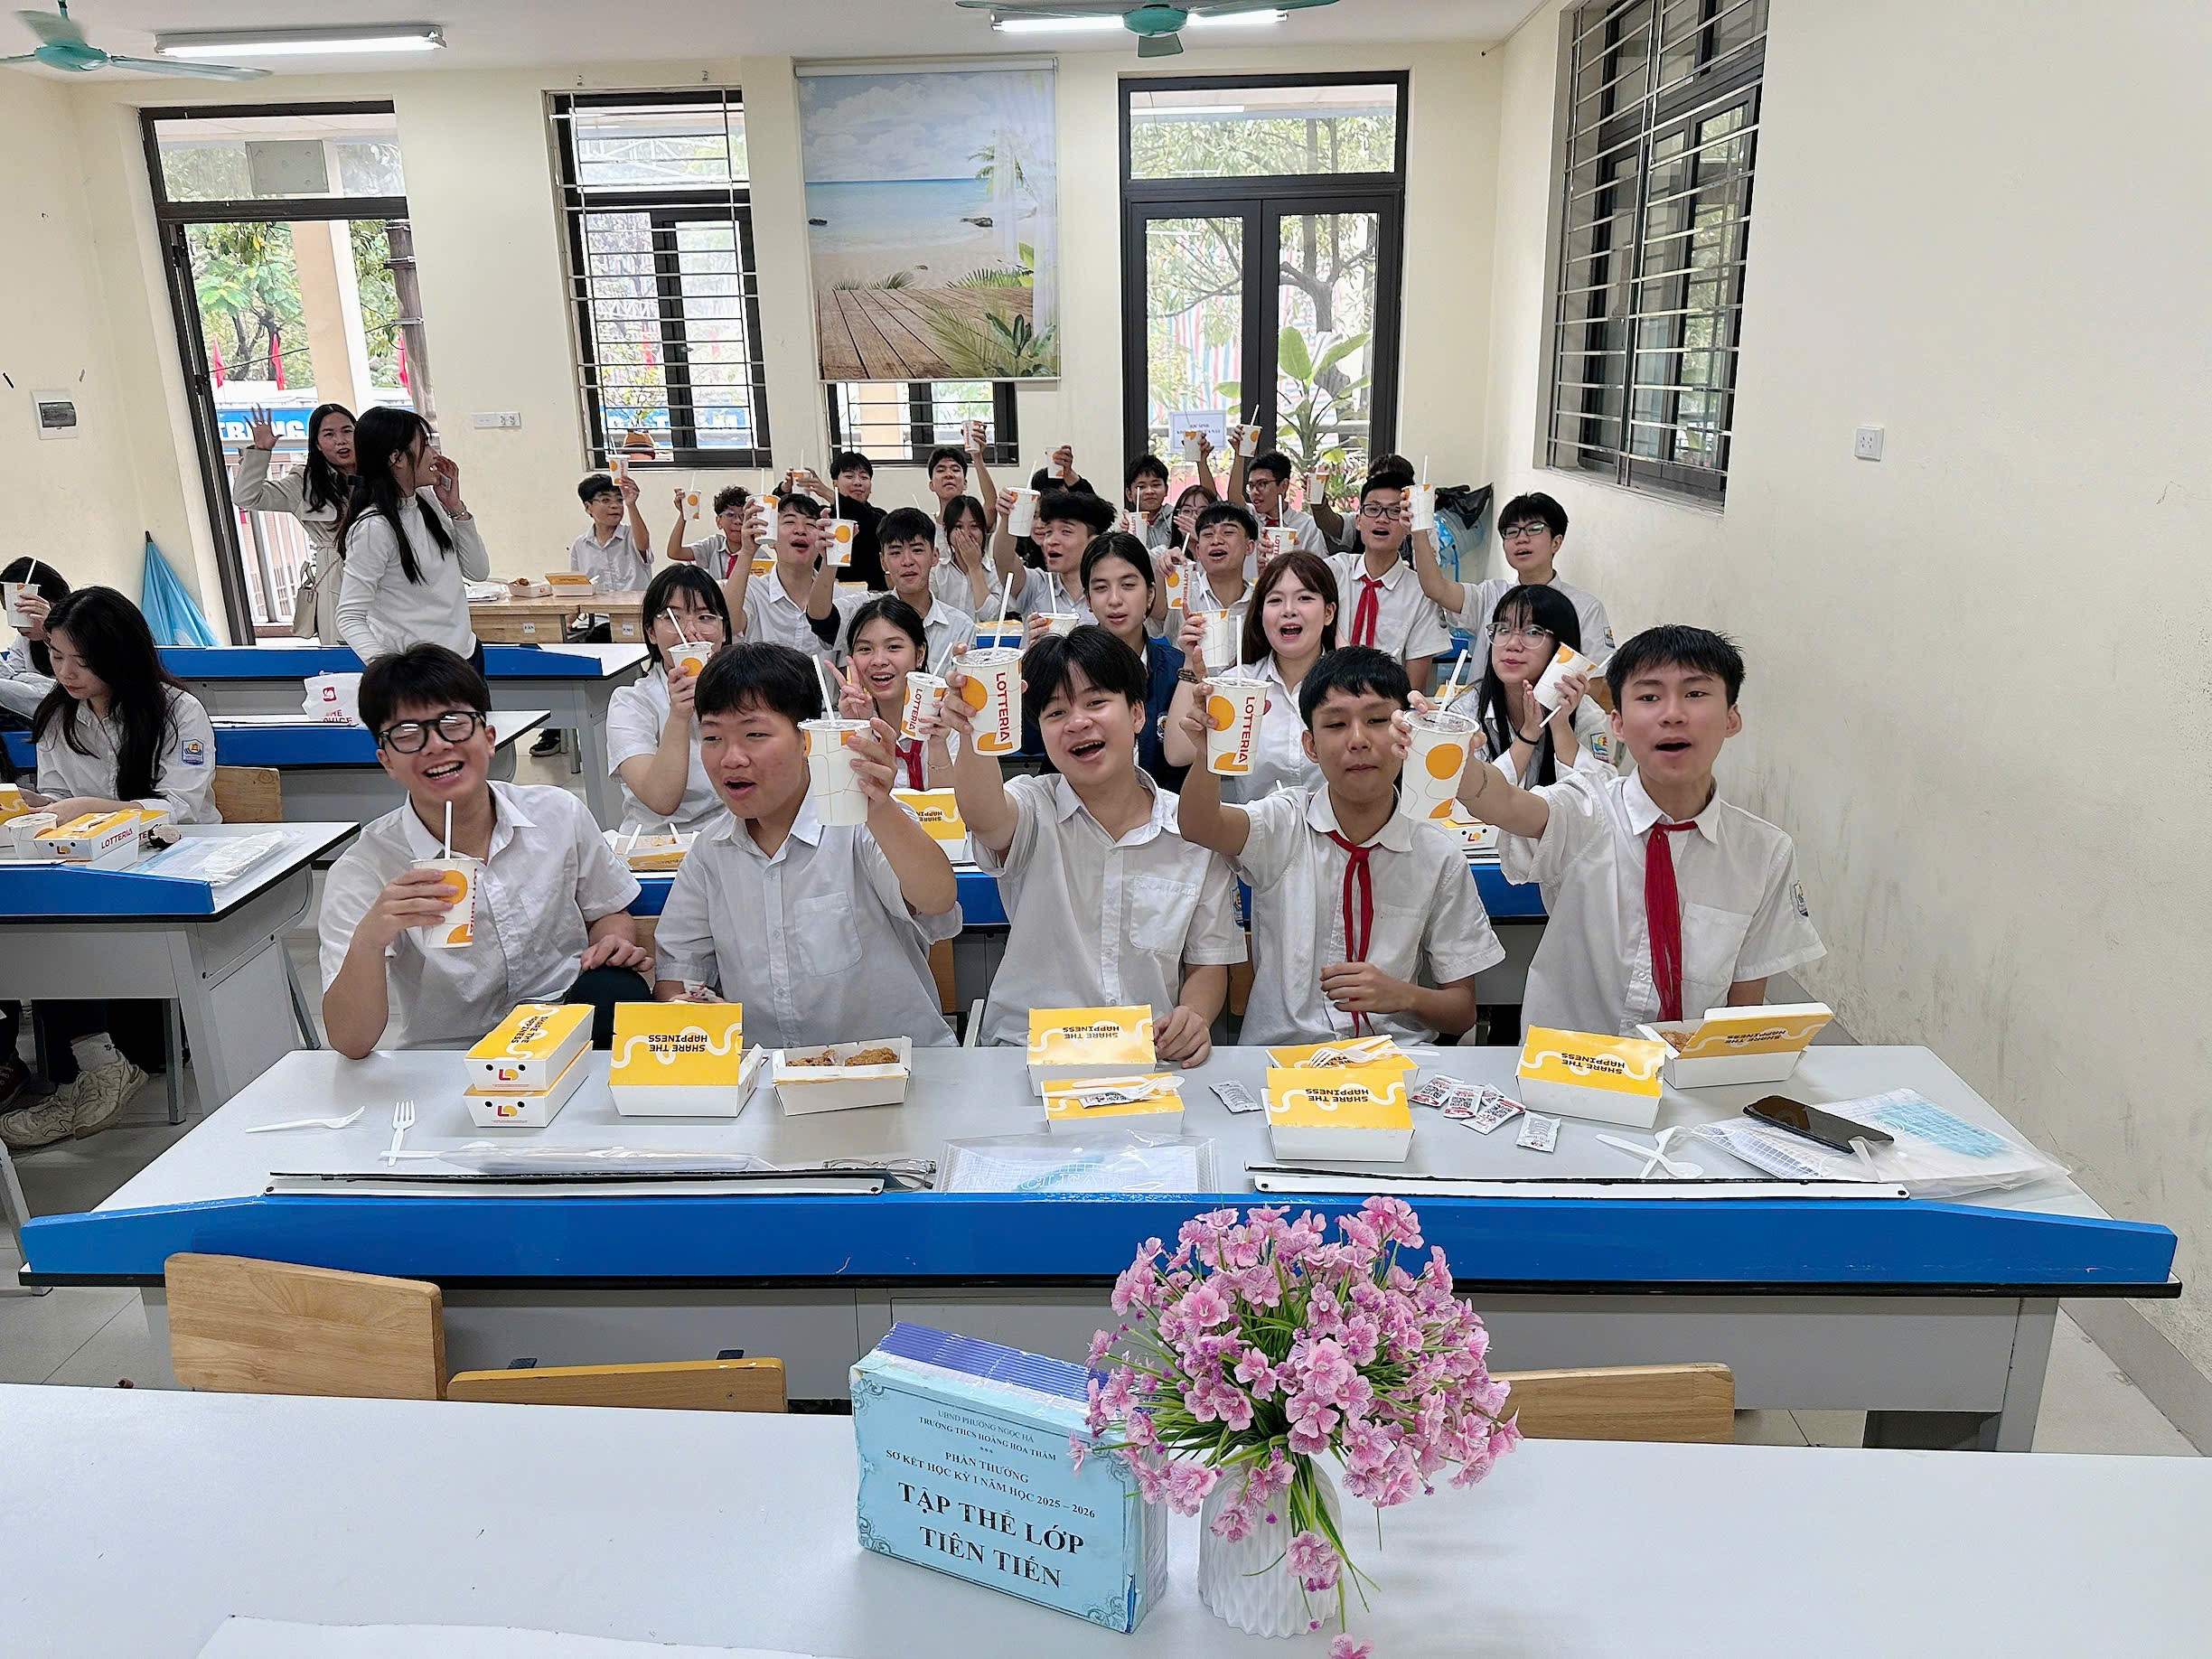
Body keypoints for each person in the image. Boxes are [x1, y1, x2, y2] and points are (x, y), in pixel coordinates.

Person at [1449, 625, 1825, 1036]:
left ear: (1731, 718)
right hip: (1569, 1076)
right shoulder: (1586, 809)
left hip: (1687, 1081)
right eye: (1648, 697)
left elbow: (1743, 1010)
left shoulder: (1764, 853)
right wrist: (1455, 764)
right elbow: (1504, 803)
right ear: (1618, 724)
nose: (1672, 714)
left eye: (1695, 694)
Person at [318, 645, 651, 1056]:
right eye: (407, 734)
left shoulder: (558, 814)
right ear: (386, 761)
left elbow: (608, 912)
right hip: (447, 1059)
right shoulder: (366, 869)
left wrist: (611, 941)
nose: (436, 745)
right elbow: (351, 1041)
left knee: (619, 992)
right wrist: (371, 938)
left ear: (489, 737)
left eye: (453, 723)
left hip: (567, 1028)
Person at [934, 627, 1244, 1058]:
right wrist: (973, 731)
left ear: (1137, 714)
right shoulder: (1033, 806)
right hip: (1024, 1053)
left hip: (1146, 1056)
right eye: (1056, 713)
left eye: (1097, 702)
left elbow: (1208, 963)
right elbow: (985, 816)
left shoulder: (1190, 828)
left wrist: (1192, 1015)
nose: (1078, 723)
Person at [1176, 645, 1504, 1047]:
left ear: (1408, 735)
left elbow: (1461, 1013)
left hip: (1393, 1061)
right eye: (1335, 725)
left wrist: (1400, 994)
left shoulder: (1437, 855)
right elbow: (1199, 825)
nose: (1358, 740)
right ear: (1310, 746)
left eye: (1378, 720)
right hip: (1282, 1059)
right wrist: (1208, 751)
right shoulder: (1285, 823)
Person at [650, 642, 961, 1049]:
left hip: (899, 1074)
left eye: (755, 734)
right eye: (712, 738)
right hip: (770, 1087)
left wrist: (879, 805)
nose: (731, 758)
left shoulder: (863, 823)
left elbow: (937, 898)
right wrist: (688, 1010)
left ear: (807, 740)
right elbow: (679, 974)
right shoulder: (711, 853)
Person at [1, 588, 222, 1149]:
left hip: (179, 861)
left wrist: (94, 811)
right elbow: (55, 795)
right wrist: (37, 810)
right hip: (91, 865)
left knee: (80, 925)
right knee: (47, 919)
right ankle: (96, 1065)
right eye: (55, 657)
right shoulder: (59, 715)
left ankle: (100, 1066)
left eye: (82, 659)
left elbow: (182, 807)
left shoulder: (178, 710)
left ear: (119, 652)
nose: (66, 673)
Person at [1161, 548, 1339, 805]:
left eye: (1304, 598)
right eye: (1275, 600)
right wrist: (1190, 660)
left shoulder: (1350, 685)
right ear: (1260, 614)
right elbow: (1177, 754)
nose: (1288, 610)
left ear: (1328, 613)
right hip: (1258, 835)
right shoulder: (1237, 683)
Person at [334, 407, 488, 665]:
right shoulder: (374, 528)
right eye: (425, 445)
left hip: (466, 656)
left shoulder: (428, 501)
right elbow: (349, 616)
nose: (434, 455)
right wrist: (388, 670)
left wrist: (455, 508)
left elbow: (478, 571)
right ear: (397, 458)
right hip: (420, 669)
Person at [1412, 490, 1614, 666]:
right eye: (1511, 532)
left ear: (1556, 542)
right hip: (1484, 709)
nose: (1521, 538)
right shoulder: (1491, 595)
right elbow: (1436, 589)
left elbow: (1598, 683)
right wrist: (1420, 530)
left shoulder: (1586, 609)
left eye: (1534, 529)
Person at [1443, 582, 1615, 787]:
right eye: (1503, 629)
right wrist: (1528, 736)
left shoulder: (1584, 713)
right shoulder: (1466, 710)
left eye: (1533, 632)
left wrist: (1560, 725)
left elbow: (1600, 799)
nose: (1512, 644)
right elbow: (1467, 796)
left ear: (1562, 647)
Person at [607, 565, 732, 835]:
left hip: (733, 837)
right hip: (660, 843)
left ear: (723, 630)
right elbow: (661, 799)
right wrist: (679, 715)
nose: (690, 631)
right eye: (673, 618)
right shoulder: (630, 703)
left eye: (705, 617)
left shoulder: (746, 692)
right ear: (651, 632)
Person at [1055, 532, 1185, 790]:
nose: (1115, 600)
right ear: (1089, 601)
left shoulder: (1177, 670)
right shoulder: (1066, 667)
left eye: (1128, 585)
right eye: (1101, 588)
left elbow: (1183, 764)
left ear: (1150, 594)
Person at [232, 402, 356, 641]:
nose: (340, 441)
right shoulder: (304, 482)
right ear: (317, 444)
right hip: (337, 582)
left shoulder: (382, 477)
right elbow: (247, 497)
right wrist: (260, 452)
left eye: (347, 431)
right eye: (329, 434)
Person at [1328, 473, 1451, 691]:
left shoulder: (1420, 593)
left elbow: (1414, 689)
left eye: (1395, 511)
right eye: (1373, 509)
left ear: (1407, 524)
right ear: (1358, 521)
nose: (1382, 519)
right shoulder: (1335, 571)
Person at [839, 595, 954, 791]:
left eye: (893, 647)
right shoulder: (846, 723)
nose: (878, 661)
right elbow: (852, 809)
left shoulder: (951, 718)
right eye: (865, 649)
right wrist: (859, 728)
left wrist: (937, 746)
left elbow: (951, 811)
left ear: (919, 654)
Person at [724, 491, 839, 660]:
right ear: (771, 536)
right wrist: (747, 551)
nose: (800, 530)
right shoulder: (753, 591)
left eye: (810, 524)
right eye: (789, 522)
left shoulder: (837, 598)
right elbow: (727, 626)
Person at [861, 508, 978, 669]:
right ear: (883, 561)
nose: (907, 561)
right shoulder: (868, 621)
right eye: (896, 552)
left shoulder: (960, 627)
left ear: (935, 556)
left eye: (917, 550)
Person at [1162, 501, 1259, 636]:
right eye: (1208, 534)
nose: (1216, 540)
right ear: (1198, 551)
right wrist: (1163, 567)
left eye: (1228, 532)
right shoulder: (1183, 595)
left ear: (1249, 547)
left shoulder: (1261, 601)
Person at [0, 557, 69, 736]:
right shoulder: (25, 640)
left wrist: (54, 630)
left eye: (20, 613)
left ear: (49, 602)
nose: (15, 625)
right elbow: (13, 679)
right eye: (10, 614)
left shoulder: (83, 632)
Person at [1228, 447, 1328, 558]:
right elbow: (1233, 500)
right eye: (1251, 486)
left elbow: (1319, 568)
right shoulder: (1249, 517)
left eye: (1262, 484)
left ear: (1283, 485)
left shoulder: (1307, 526)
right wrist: (1239, 454)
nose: (1254, 492)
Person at [569, 471, 652, 593]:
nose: (615, 505)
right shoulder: (580, 545)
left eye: (619, 500)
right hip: (598, 610)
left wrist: (631, 505)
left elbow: (643, 544)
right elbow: (577, 588)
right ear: (588, 507)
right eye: (606, 500)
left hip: (635, 610)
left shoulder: (632, 534)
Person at [926, 439, 1000, 560]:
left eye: (955, 470)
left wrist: (977, 458)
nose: (948, 474)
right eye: (941, 470)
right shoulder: (929, 527)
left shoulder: (976, 518)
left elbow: (991, 505)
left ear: (965, 483)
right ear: (931, 485)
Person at [824, 449, 887, 589]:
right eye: (849, 476)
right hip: (831, 596)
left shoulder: (879, 516)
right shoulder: (823, 516)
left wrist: (832, 496)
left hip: (873, 596)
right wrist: (784, 489)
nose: (858, 482)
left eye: (864, 478)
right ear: (835, 483)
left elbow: (864, 518)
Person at [669, 483, 752, 581]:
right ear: (719, 521)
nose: (738, 521)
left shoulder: (758, 556)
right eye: (730, 514)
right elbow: (674, 552)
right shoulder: (713, 546)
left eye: (743, 516)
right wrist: (684, 514)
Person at [1122, 454, 1173, 552]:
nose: (1149, 491)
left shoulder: (1176, 520)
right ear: (1129, 494)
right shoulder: (1127, 526)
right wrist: (1125, 536)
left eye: (1156, 485)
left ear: (1166, 490)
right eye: (1141, 487)